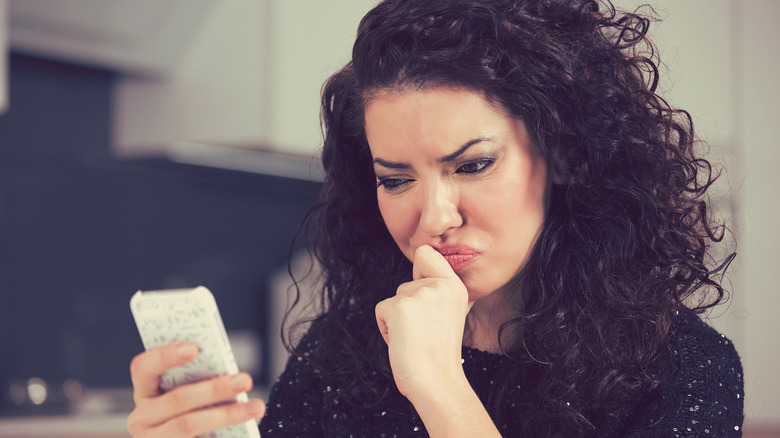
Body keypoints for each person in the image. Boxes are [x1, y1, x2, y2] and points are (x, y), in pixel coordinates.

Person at [127, 0, 744, 436]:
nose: (433, 217)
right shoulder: (338, 354)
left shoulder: (683, 369)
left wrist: (441, 387)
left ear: (562, 151)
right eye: (395, 179)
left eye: (472, 165)